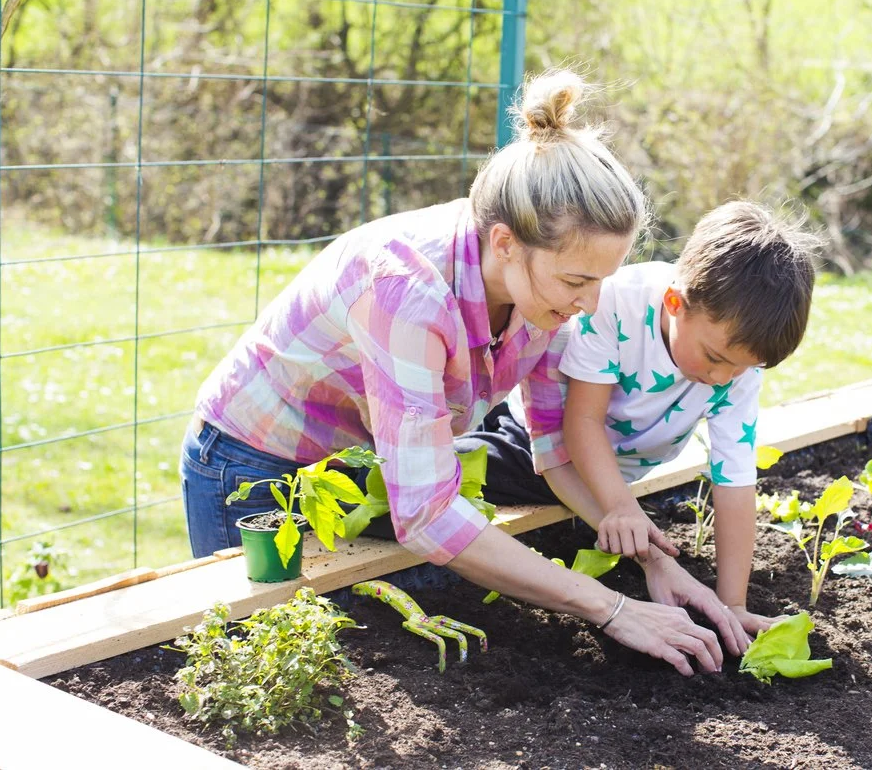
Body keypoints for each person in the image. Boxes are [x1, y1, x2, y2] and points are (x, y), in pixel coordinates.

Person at [181, 69, 740, 675]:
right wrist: (610, 609)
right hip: (255, 462)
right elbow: (424, 515)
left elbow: (551, 449)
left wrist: (655, 562)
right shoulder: (407, 290)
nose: (592, 304)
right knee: (268, 664)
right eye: (578, 281)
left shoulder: (543, 296)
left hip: (357, 468)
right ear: (504, 243)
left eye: (602, 280)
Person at [464, 201, 818, 644]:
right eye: (714, 358)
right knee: (452, 474)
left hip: (610, 473)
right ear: (676, 302)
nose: (722, 378)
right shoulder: (619, 302)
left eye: (743, 368)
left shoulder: (735, 365)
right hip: (533, 444)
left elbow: (735, 482)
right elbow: (582, 423)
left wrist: (734, 606)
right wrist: (619, 507)